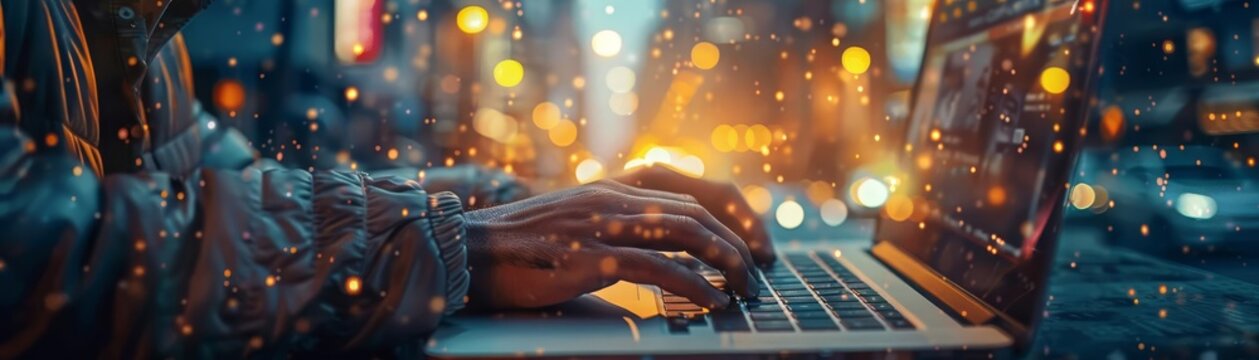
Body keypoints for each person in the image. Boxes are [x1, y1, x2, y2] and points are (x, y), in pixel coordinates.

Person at [0, 0, 775, 357]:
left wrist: (518, 208)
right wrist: (446, 241)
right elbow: (30, 260)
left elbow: (240, 198)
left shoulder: (140, 34)